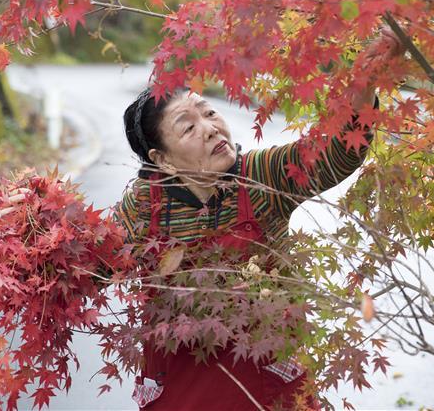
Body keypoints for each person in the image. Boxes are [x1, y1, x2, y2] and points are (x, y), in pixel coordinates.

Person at [113, 27, 406, 410]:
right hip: (182, 396)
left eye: (209, 112)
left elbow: (336, 154)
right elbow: (81, 264)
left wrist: (364, 84)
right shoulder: (141, 207)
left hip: (270, 391)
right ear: (162, 160)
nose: (210, 128)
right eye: (188, 127)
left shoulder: (261, 176)